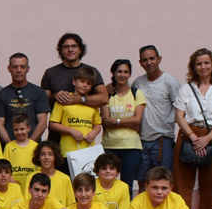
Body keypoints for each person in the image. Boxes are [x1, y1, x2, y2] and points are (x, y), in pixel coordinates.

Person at [172, 48, 212, 209]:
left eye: (206, 63)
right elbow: (179, 116)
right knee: (182, 185)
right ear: (193, 67)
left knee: (210, 185)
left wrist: (207, 138)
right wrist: (193, 137)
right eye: (199, 64)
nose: (203, 66)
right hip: (187, 136)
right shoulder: (186, 88)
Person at [132, 45, 184, 183]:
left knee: (162, 180)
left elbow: (180, 108)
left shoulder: (170, 82)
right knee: (142, 181)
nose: (149, 63)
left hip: (163, 140)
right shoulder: (138, 82)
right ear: (140, 63)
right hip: (141, 140)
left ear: (159, 59)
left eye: (152, 58)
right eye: (145, 60)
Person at [100, 59, 147, 188]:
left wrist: (116, 121)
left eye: (126, 72)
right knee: (107, 184)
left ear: (129, 74)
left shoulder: (136, 93)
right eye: (119, 71)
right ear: (114, 73)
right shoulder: (107, 95)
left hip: (131, 147)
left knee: (127, 185)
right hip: (110, 145)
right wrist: (128, 122)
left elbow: (137, 119)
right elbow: (106, 120)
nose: (122, 75)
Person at [0, 53, 51, 144]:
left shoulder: (39, 92)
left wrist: (28, 146)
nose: (19, 70)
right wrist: (11, 146)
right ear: (9, 68)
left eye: (22, 67)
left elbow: (42, 123)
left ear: (28, 69)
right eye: (15, 67)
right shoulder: (2, 94)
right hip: (9, 149)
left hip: (33, 148)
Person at [48, 65, 103, 160]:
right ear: (74, 81)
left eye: (89, 83)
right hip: (68, 151)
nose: (85, 85)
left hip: (88, 150)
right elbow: (53, 124)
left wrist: (94, 132)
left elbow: (97, 124)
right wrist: (71, 131)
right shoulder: (64, 99)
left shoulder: (92, 103)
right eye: (82, 81)